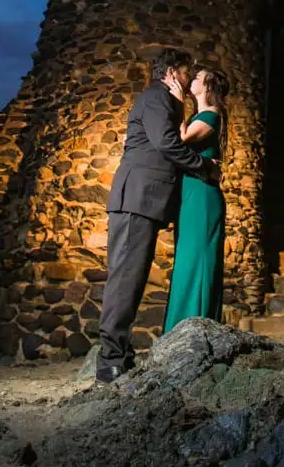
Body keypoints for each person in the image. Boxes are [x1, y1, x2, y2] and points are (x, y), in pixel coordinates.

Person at [95, 47, 216, 383]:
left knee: (130, 279)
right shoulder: (155, 98)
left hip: (143, 201)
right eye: (186, 70)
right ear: (172, 72)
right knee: (125, 280)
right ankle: (110, 362)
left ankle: (118, 354)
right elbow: (166, 143)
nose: (190, 77)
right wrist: (203, 166)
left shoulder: (165, 101)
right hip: (137, 198)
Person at [162, 67, 229, 333]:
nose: (192, 80)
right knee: (186, 262)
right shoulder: (197, 115)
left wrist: (177, 104)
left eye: (199, 77)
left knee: (197, 261)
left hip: (202, 197)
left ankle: (195, 328)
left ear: (209, 86)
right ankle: (178, 330)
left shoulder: (211, 115)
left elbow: (182, 141)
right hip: (190, 195)